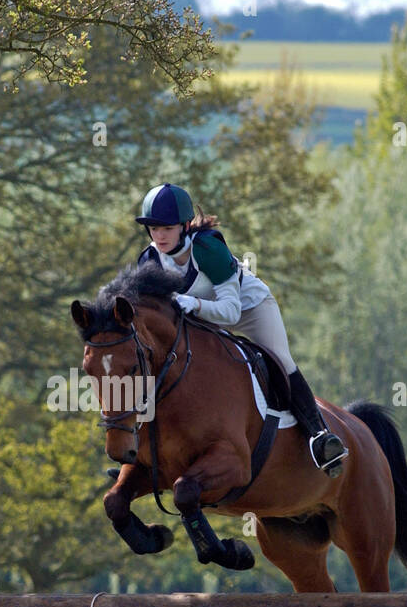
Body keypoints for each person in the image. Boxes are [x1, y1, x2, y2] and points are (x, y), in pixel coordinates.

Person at [134, 182, 346, 476]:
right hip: (201, 317)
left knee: (281, 362)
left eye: (166, 228)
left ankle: (320, 437)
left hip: (249, 307)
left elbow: (231, 312)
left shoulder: (208, 249)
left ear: (184, 226)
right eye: (153, 229)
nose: (159, 236)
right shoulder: (149, 260)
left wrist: (193, 304)